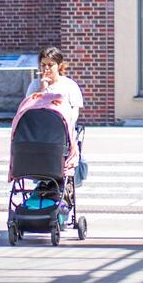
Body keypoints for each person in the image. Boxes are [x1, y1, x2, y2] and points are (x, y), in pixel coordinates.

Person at [28, 45, 86, 182]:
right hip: (40, 130)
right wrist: (42, 89)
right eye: (43, 65)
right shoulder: (35, 85)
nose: (46, 69)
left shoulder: (69, 85)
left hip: (61, 130)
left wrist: (67, 125)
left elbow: (74, 111)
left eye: (50, 65)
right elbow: (30, 109)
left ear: (59, 66)